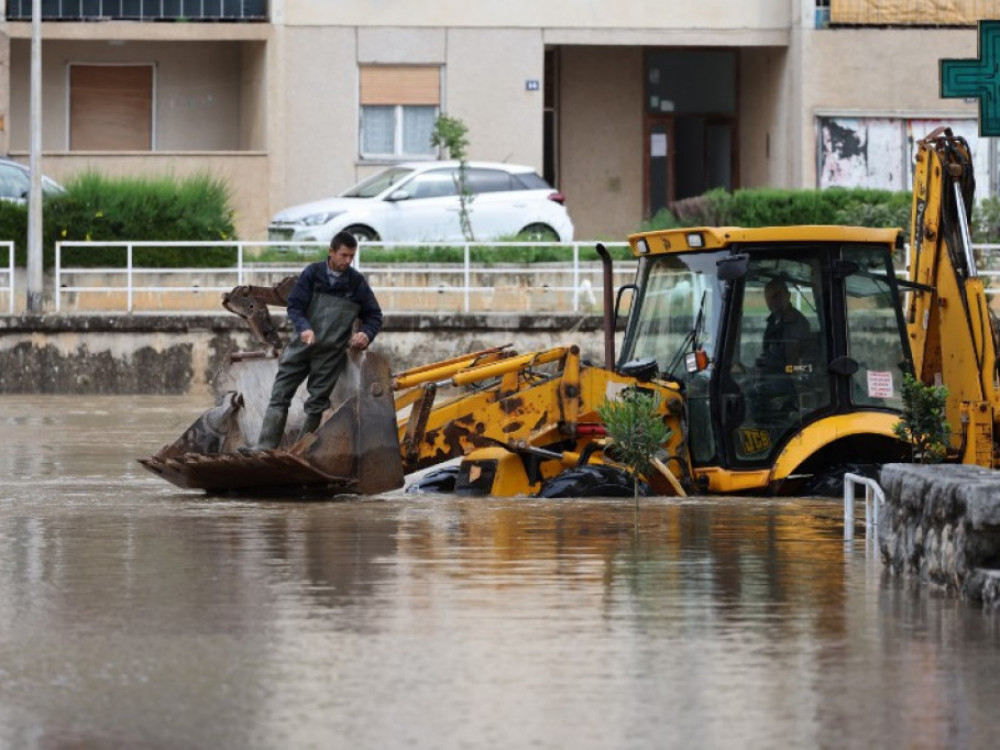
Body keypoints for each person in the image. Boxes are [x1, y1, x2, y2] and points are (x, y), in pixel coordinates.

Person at [249, 231, 383, 451]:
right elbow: (295, 306)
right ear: (331, 252)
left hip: (331, 354)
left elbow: (375, 316)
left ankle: (301, 451)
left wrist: (366, 334)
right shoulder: (312, 273)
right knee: (280, 394)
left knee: (316, 404)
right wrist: (304, 328)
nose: (347, 261)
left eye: (351, 256)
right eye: (343, 255)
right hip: (300, 347)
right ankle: (264, 447)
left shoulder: (357, 282)